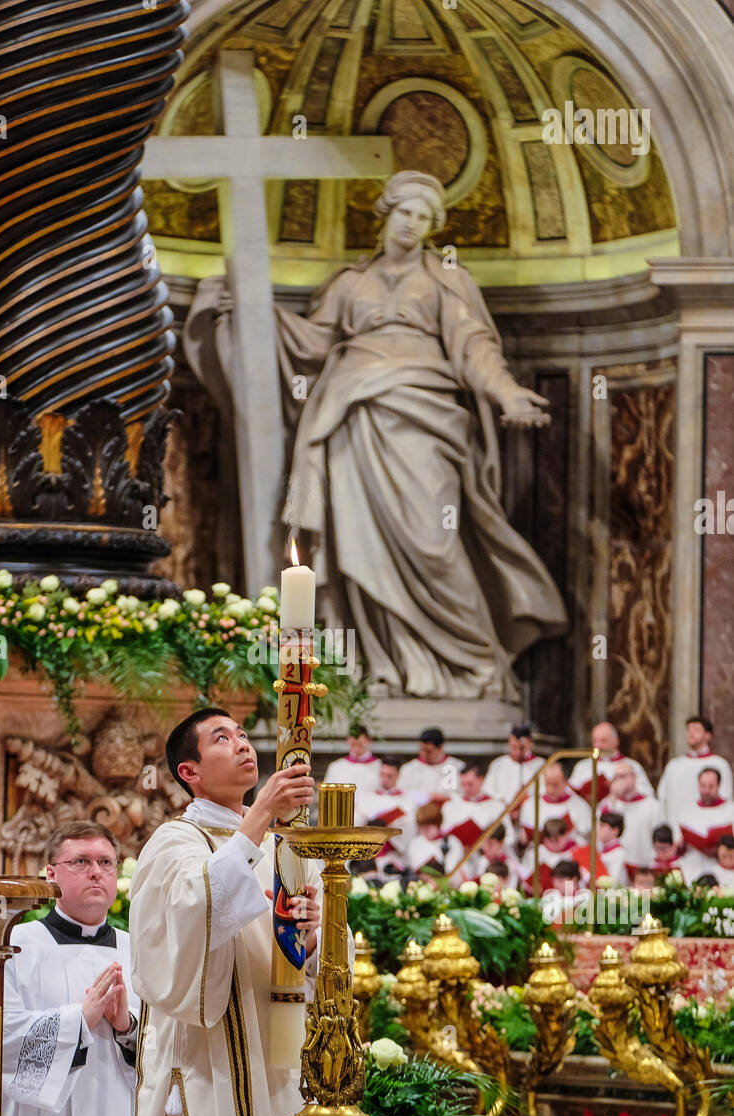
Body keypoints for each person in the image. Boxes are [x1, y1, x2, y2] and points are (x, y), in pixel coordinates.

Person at [199, 167, 566, 700]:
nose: (412, 224)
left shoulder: (446, 278)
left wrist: (506, 392)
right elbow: (310, 342)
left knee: (433, 542)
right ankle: (382, 667)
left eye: (423, 217)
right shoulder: (350, 283)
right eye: (405, 212)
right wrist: (253, 314)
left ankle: (473, 662)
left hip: (422, 418)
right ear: (386, 213)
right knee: (354, 544)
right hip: (348, 420)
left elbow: (473, 346)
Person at [128, 709, 324, 1116]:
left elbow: (293, 962)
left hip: (273, 1065)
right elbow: (190, 919)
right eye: (222, 739)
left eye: (243, 734)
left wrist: (307, 941)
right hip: (208, 1067)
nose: (241, 744)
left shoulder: (277, 847)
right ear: (189, 771)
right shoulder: (174, 841)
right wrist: (262, 813)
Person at [0, 821, 139, 1116]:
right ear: (51, 873)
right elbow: (1, 1040)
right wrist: (78, 1020)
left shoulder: (137, 950)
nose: (95, 872)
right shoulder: (17, 944)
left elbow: (172, 1051)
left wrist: (126, 1029)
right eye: (80, 862)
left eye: (105, 863)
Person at [657, 715, 733, 828]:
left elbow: (726, 798)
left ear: (708, 735)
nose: (691, 733)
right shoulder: (674, 766)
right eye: (689, 729)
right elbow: (662, 798)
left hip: (710, 829)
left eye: (696, 729)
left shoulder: (719, 764)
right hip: (677, 828)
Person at [357, 754, 426, 873]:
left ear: (398, 776)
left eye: (390, 776)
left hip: (395, 856)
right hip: (369, 859)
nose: (385, 779)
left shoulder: (407, 802)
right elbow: (357, 823)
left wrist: (389, 825)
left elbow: (410, 828)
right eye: (382, 775)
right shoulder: (367, 798)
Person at [598, 760, 661, 869]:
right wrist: (613, 797)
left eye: (622, 777)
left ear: (634, 777)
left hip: (643, 866)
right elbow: (601, 830)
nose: (618, 781)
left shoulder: (652, 805)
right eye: (615, 778)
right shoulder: (609, 804)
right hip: (618, 865)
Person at [569, 722, 654, 802]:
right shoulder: (582, 766)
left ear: (616, 741)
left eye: (603, 740)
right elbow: (570, 794)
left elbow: (647, 795)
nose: (598, 746)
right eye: (595, 741)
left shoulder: (632, 766)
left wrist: (623, 789)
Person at [677, 768, 734, 884]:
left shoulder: (730, 810)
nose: (706, 790)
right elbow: (678, 846)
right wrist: (681, 845)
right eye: (703, 786)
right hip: (693, 868)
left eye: (711, 786)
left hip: (721, 873)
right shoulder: (688, 810)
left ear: (719, 785)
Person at [442, 763, 510, 854]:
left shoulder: (496, 806)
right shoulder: (450, 806)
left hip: (485, 856)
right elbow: (444, 833)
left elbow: (509, 836)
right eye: (463, 784)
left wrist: (487, 844)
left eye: (470, 784)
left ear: (481, 780)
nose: (466, 789)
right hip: (458, 856)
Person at [519, 762, 591, 845]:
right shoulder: (530, 805)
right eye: (548, 783)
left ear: (566, 782)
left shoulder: (580, 806)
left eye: (555, 784)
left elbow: (586, 839)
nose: (551, 789)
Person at [483, 723, 544, 811]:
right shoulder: (498, 764)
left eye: (521, 747)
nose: (518, 751)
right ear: (510, 741)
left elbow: (544, 792)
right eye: (514, 747)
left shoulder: (541, 764)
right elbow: (488, 790)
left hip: (530, 814)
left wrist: (526, 801)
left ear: (530, 743)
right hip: (503, 814)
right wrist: (505, 804)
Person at [397, 727, 464, 802]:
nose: (423, 753)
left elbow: (463, 795)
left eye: (428, 751)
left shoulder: (456, 767)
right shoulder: (409, 768)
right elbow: (401, 793)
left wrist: (441, 798)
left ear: (440, 747)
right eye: (421, 749)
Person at [572, 811, 628, 887]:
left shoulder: (619, 853)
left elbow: (613, 882)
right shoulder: (600, 849)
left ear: (615, 831)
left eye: (602, 826)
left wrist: (588, 877)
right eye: (598, 825)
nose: (597, 829)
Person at [323, 724, 381, 795]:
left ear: (369, 740)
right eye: (354, 743)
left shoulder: (380, 767)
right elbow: (327, 793)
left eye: (360, 743)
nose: (357, 746)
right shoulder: (336, 767)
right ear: (348, 740)